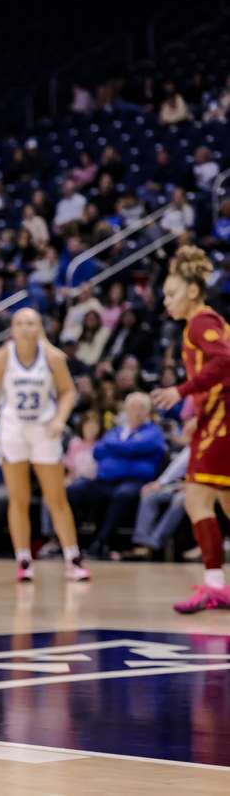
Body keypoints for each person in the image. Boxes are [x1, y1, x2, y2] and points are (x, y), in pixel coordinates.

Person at [0, 309, 90, 582]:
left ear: (40, 327)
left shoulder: (51, 357)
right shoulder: (3, 356)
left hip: (44, 431)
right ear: (12, 328)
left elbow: (68, 391)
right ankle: (23, 560)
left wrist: (60, 419)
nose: (26, 328)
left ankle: (73, 558)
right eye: (20, 323)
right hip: (13, 430)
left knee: (56, 498)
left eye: (31, 323)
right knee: (18, 498)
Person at [151, 246, 230, 613]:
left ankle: (215, 585)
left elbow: (225, 360)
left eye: (171, 294)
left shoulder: (200, 322)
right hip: (215, 417)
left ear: (193, 291)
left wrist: (182, 391)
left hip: (223, 420)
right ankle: (217, 584)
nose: (166, 301)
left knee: (197, 497)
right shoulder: (199, 323)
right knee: (226, 502)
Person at [68, 392, 167, 557]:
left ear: (148, 411)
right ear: (126, 411)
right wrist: (126, 448)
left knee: (122, 495)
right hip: (105, 480)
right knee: (75, 489)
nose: (137, 411)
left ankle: (102, 542)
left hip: (135, 481)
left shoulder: (154, 432)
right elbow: (98, 451)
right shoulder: (116, 431)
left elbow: (136, 447)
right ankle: (71, 543)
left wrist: (117, 448)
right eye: (133, 407)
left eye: (141, 407)